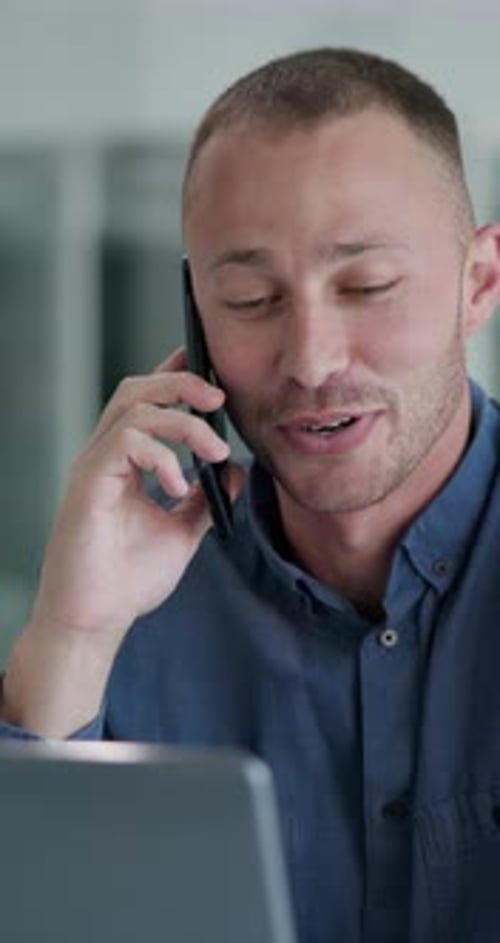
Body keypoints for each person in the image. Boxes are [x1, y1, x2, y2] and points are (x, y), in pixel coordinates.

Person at [2, 45, 500, 943]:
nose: (310, 360)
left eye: (367, 286)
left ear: (480, 284)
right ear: (195, 314)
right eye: (249, 298)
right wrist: (71, 639)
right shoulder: (132, 598)